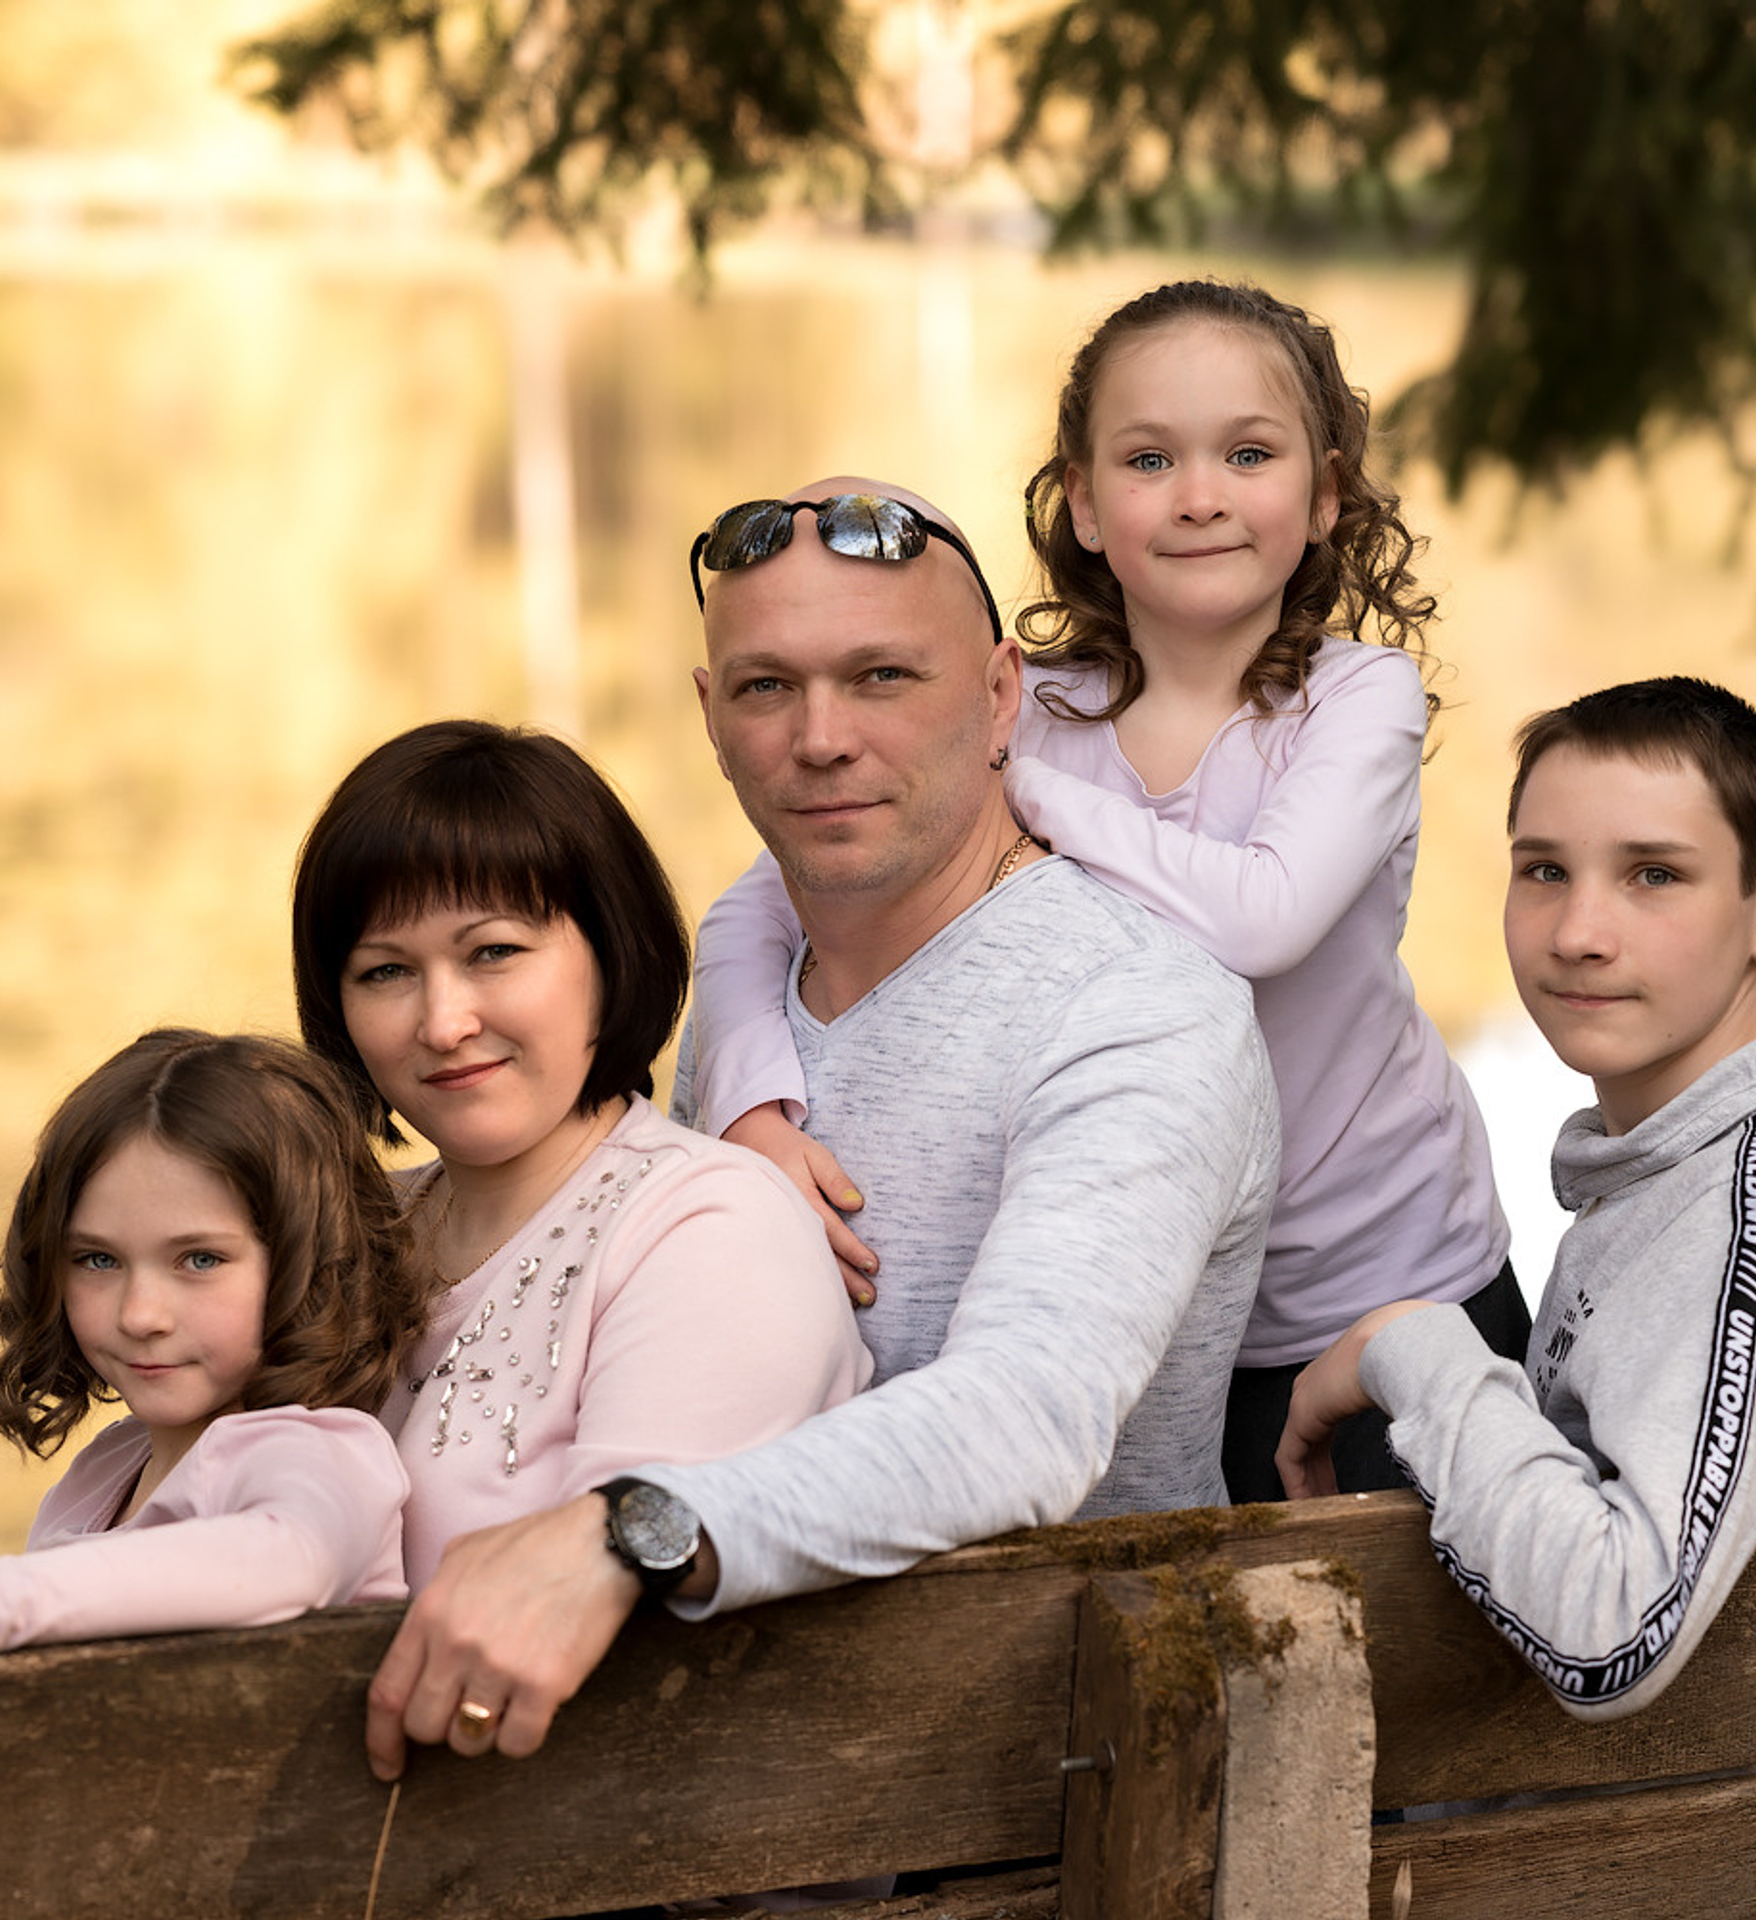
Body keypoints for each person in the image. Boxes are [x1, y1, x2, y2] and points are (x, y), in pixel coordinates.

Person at [357, 482, 1279, 1773]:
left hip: (1049, 1780)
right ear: (710, 717)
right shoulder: (734, 1017)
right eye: (765, 688)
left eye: (882, 676)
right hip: (725, 1766)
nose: (821, 738)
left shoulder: (1137, 1011)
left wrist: (624, 1534)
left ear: (1004, 694)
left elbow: (1030, 1415)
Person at [688, 280, 1525, 1502]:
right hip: (1171, 1294)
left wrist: (1028, 790)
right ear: (1081, 501)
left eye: (1249, 454)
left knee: (1421, 1651)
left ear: (1326, 494)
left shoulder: (1354, 700)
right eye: (1148, 458)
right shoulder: (1053, 704)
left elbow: (1262, 917)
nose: (1199, 496)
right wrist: (744, 1103)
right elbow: (755, 904)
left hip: (1382, 1282)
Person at [288, 720, 870, 1711]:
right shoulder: (344, 1229)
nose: (442, 1020)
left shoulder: (707, 1231)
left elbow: (623, 1656)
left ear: (609, 948)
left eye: (494, 952)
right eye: (384, 971)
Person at [1279, 676, 1756, 1718]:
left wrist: (1415, 1344)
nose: (1578, 930)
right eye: (1545, 869)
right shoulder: (1666, 1170)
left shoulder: (1737, 1200)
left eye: (1655, 876)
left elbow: (1615, 1628)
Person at [0, 1028, 432, 1751]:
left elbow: (288, 1558)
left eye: (200, 1259)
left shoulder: (314, 1451)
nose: (140, 1315)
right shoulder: (107, 1470)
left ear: (309, 1262)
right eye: (96, 1259)